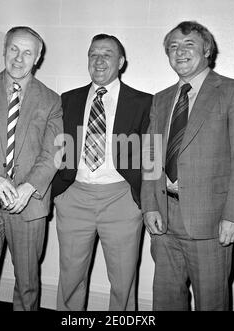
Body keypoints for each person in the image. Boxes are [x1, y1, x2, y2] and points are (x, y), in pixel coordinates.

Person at [141, 21, 234, 311]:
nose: (180, 52)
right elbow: (151, 156)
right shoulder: (161, 99)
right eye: (173, 47)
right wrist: (150, 205)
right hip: (164, 220)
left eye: (188, 45)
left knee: (212, 304)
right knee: (166, 302)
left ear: (207, 49)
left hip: (212, 223)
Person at [0, 26, 63, 311]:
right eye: (14, 49)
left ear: (38, 58)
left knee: (27, 286)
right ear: (4, 51)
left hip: (28, 206)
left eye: (27, 52)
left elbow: (54, 150)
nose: (19, 58)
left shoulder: (52, 100)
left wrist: (28, 188)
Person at [51, 34, 152, 311]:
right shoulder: (67, 100)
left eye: (107, 54)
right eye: (93, 54)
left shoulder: (144, 102)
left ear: (120, 62)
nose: (99, 60)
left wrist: (148, 202)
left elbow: (152, 157)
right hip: (74, 198)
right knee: (70, 278)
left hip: (121, 200)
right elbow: (56, 148)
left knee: (123, 282)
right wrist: (58, 193)